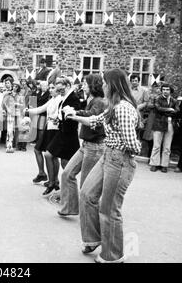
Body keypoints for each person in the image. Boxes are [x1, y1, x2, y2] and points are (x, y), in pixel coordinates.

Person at [65, 68, 140, 263]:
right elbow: (94, 120)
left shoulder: (123, 108)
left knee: (109, 210)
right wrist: (74, 116)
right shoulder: (113, 106)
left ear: (113, 85)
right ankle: (93, 239)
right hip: (107, 155)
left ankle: (113, 255)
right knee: (87, 194)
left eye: (106, 83)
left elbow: (133, 144)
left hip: (119, 159)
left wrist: (121, 149)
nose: (103, 86)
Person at [58, 74, 106, 216]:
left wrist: (74, 113)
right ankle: (71, 207)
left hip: (94, 147)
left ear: (92, 86)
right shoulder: (92, 99)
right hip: (86, 145)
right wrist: (75, 112)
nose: (83, 85)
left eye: (86, 83)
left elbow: (92, 116)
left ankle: (89, 215)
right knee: (67, 174)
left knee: (86, 184)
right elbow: (87, 112)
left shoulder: (99, 101)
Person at [43, 76, 81, 195]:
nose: (60, 93)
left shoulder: (73, 98)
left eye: (61, 90)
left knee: (66, 165)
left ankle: (69, 191)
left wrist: (64, 117)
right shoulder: (65, 97)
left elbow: (74, 116)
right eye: (58, 91)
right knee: (49, 155)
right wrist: (58, 119)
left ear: (68, 86)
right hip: (62, 132)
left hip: (69, 135)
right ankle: (53, 182)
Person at [149, 82, 178, 173]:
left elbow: (177, 111)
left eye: (167, 89)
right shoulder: (158, 98)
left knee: (167, 147)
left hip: (170, 124)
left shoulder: (174, 100)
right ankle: (154, 164)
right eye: (164, 89)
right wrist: (169, 109)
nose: (165, 91)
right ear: (161, 90)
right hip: (159, 123)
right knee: (156, 146)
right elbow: (158, 109)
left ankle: (164, 165)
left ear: (170, 91)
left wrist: (167, 111)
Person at [31, 81, 51, 184]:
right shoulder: (39, 93)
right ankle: (44, 175)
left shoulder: (50, 97)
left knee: (50, 155)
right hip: (39, 113)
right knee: (39, 150)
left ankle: (52, 181)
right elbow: (38, 104)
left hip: (46, 118)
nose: (49, 89)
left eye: (48, 87)